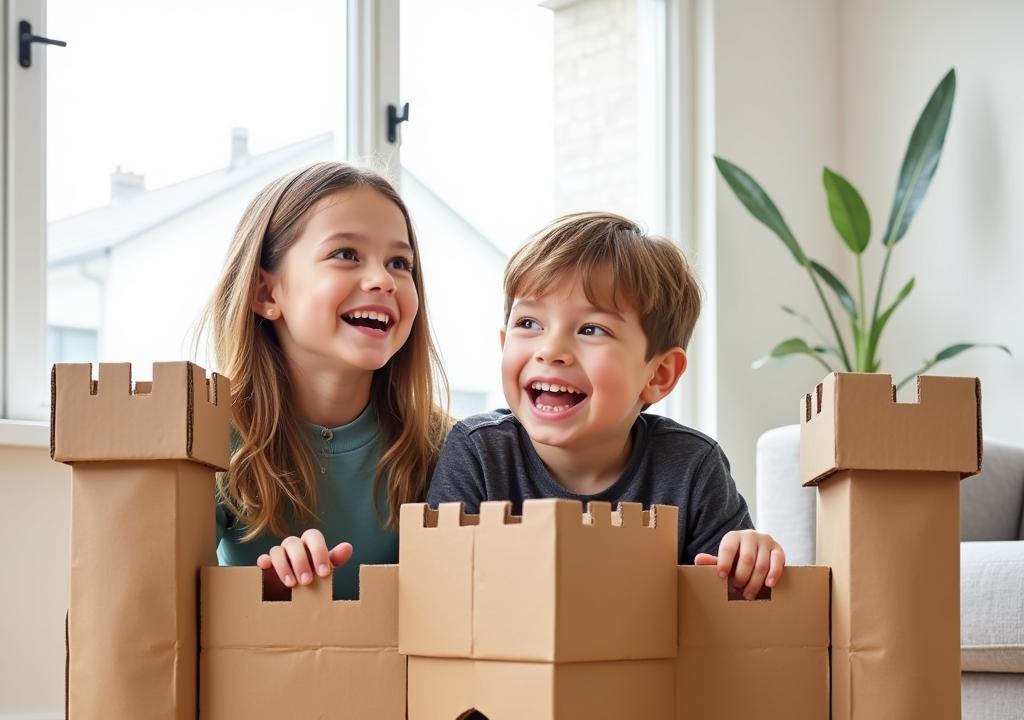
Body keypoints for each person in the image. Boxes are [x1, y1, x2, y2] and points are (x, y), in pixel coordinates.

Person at [426, 212, 785, 599]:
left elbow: (739, 614)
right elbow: (439, 594)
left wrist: (750, 562)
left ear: (659, 374)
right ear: (503, 344)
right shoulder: (479, 453)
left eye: (592, 330)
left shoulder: (691, 467)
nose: (550, 351)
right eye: (529, 323)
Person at [202, 161, 449, 599]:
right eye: (346, 254)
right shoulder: (211, 439)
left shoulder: (443, 445)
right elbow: (173, 605)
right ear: (266, 293)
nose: (382, 280)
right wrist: (266, 595)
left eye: (399, 262)